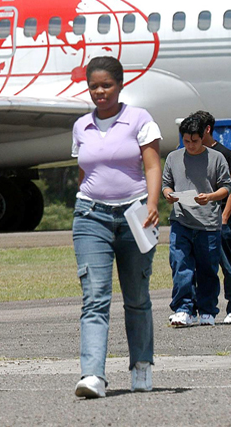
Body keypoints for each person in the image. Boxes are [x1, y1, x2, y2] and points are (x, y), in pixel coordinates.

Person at [71, 56, 162, 399]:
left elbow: (152, 166)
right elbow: (84, 172)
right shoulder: (81, 126)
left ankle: (141, 365)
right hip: (91, 215)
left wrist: (153, 203)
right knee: (94, 297)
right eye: (93, 86)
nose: (99, 92)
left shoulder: (140, 119)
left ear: (120, 85)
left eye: (106, 85)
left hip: (135, 214)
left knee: (136, 297)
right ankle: (92, 375)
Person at [163, 114, 231, 329]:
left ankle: (208, 310)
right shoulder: (173, 158)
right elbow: (166, 183)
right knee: (180, 265)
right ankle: (183, 309)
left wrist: (209, 197)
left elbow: (226, 187)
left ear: (204, 137)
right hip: (181, 220)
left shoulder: (217, 158)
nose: (190, 145)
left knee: (207, 269)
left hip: (208, 223)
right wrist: (168, 194)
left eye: (195, 141)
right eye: (186, 141)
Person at [192, 110, 231, 324]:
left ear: (207, 129)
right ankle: (198, 309)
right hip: (197, 219)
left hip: (219, 219)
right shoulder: (191, 153)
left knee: (227, 264)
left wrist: (224, 217)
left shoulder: (224, 153)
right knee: (198, 266)